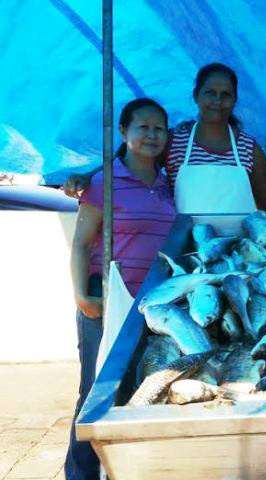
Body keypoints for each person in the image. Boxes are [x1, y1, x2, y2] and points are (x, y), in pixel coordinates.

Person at [65, 98, 176, 479]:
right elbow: (81, 243)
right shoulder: (103, 182)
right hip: (108, 299)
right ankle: (80, 474)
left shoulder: (167, 183)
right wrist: (82, 295)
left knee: (139, 389)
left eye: (159, 128)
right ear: (124, 132)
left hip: (153, 305)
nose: (151, 134)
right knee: (96, 390)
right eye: (142, 127)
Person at [64, 63, 266, 213]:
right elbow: (127, 162)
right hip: (183, 247)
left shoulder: (249, 149)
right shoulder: (175, 141)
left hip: (238, 251)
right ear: (196, 96)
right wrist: (89, 177)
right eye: (210, 92)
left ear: (235, 100)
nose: (217, 100)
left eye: (225, 94)